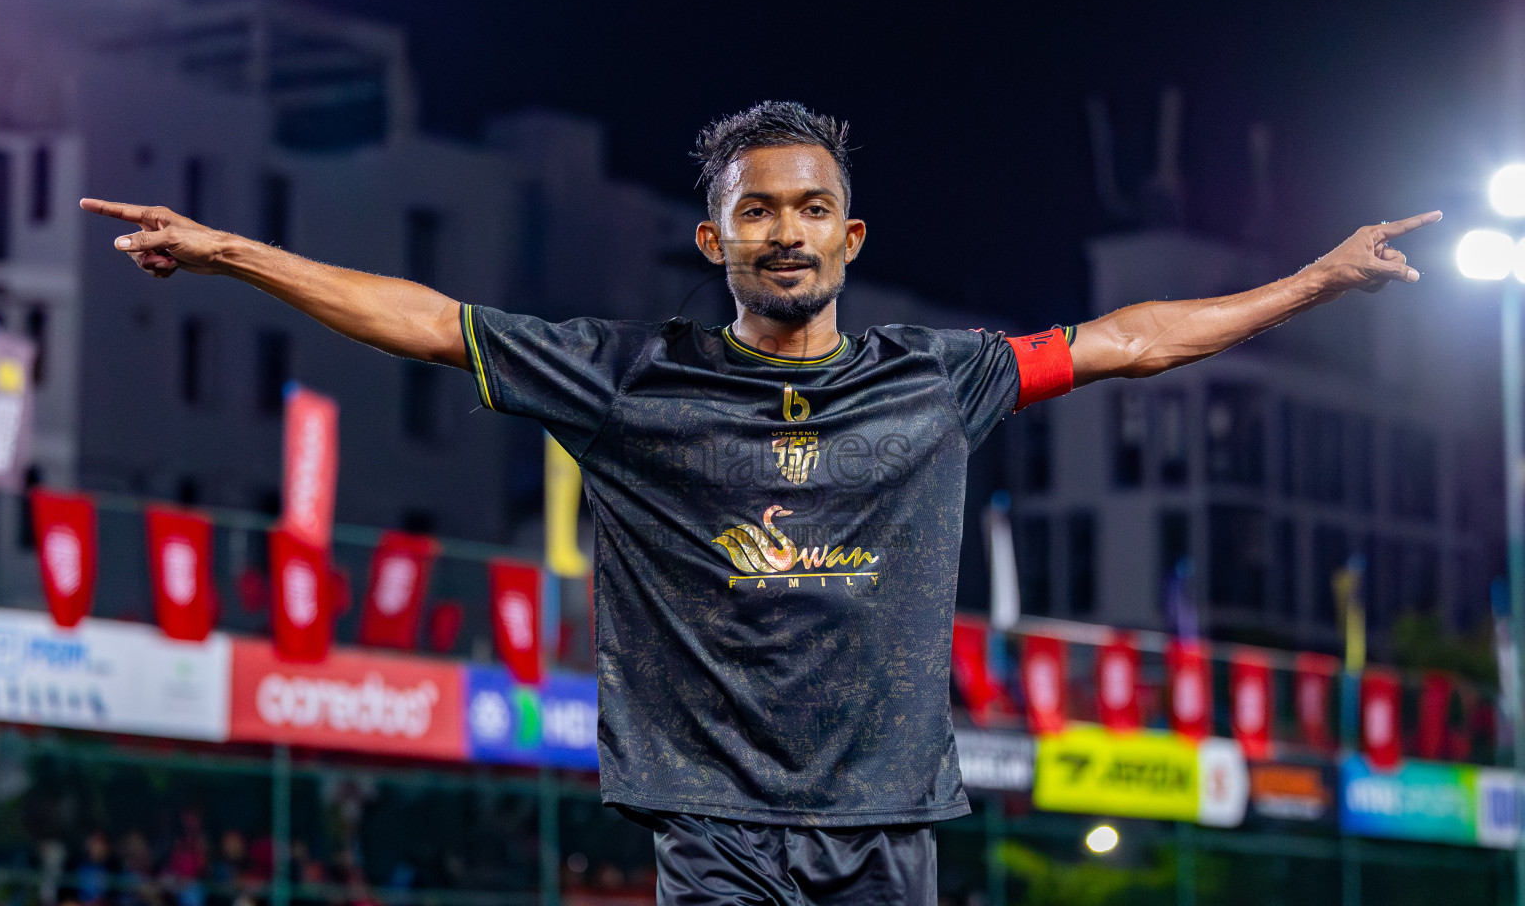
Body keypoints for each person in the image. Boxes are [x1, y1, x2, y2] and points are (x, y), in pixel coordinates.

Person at [82, 101, 1437, 906]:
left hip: (889, 826)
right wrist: (231, 253)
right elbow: (431, 322)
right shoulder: (624, 378)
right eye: (758, 212)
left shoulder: (944, 380)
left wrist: (1315, 282)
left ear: (850, 238)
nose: (784, 230)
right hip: (714, 824)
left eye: (811, 209)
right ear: (714, 239)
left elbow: (1127, 340)